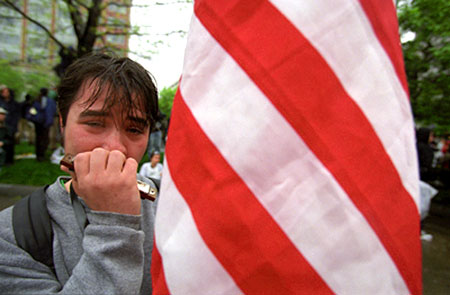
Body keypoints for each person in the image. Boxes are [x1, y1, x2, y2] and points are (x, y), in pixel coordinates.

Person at [0, 53, 159, 294]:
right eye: (95, 123)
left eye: (135, 129)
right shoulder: (11, 235)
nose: (115, 147)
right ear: (63, 123)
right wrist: (114, 222)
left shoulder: (175, 202)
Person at [26, 88, 57, 161]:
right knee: (44, 138)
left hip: (38, 122)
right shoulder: (50, 101)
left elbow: (32, 110)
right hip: (45, 122)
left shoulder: (36, 100)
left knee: (39, 138)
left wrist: (34, 117)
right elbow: (52, 111)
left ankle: (39, 154)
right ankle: (41, 153)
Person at [0, 85, 21, 165]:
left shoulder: (14, 103)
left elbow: (17, 114)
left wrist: (15, 124)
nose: (5, 93)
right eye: (3, 92)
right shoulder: (1, 102)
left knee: (10, 141)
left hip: (11, 124)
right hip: (2, 125)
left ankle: (9, 160)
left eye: (7, 91)